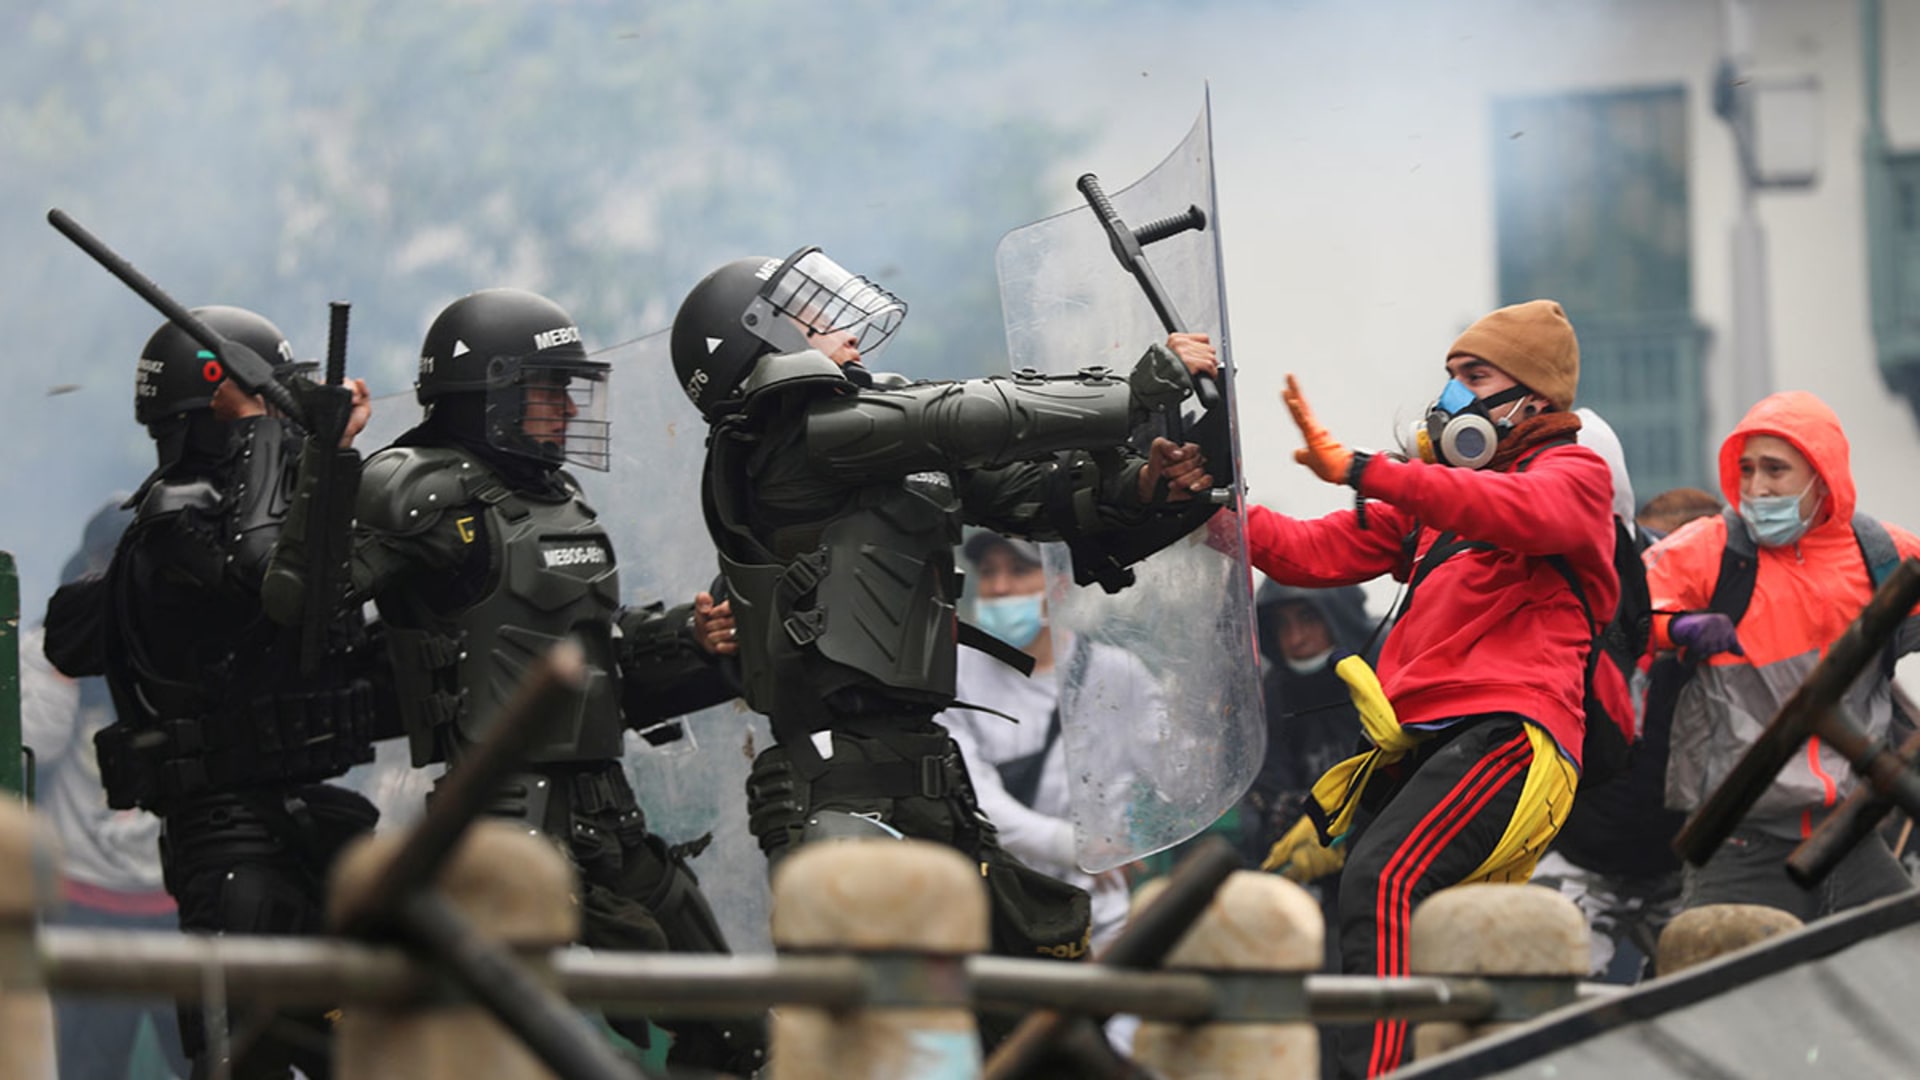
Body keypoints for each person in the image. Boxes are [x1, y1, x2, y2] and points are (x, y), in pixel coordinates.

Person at [668, 246, 1219, 973]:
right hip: (843, 785)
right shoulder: (796, 441)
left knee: (1027, 999)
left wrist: (1141, 486)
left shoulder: (868, 442)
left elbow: (1028, 494)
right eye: (809, 320)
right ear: (761, 344)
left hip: (922, 773)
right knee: (878, 1015)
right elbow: (965, 417)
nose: (846, 330)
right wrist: (1136, 390)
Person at [262, 287, 764, 1074]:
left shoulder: (555, 495)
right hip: (500, 832)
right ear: (487, 395)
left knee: (736, 1033)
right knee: (488, 1056)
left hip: (609, 821)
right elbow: (301, 605)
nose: (566, 409)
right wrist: (328, 459)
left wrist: (687, 636)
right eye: (546, 389)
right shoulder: (415, 487)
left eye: (569, 389)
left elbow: (588, 646)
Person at [1250, 299, 1615, 1078]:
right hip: (1430, 746)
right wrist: (1210, 507)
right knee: (1373, 895)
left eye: (1473, 376)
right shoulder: (1437, 504)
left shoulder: (1573, 474)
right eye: (1450, 375)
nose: (1451, 395)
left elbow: (1518, 508)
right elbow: (1305, 551)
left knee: (1385, 878)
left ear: (1532, 399)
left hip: (1512, 737)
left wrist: (1367, 470)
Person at [44, 306, 384, 1080]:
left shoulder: (264, 521)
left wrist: (329, 456)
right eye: (272, 401)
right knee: (243, 1064)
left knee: (360, 1054)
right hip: (230, 849)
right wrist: (271, 433)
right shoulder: (174, 523)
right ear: (217, 411)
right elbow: (260, 576)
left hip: (307, 829)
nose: (287, 420)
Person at [1646, 390, 1920, 921]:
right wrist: (1674, 627)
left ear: (1822, 474)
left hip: (1851, 836)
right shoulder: (1708, 549)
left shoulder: (1884, 554)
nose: (1756, 488)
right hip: (1738, 841)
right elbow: (1616, 610)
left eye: (1775, 469)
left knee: (1902, 963)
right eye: (1746, 469)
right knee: (1717, 969)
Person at [1528, 417, 1711, 984]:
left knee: (1722, 996)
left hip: (1688, 862)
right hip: (1581, 855)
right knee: (1535, 987)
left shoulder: (1720, 615)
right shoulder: (1550, 587)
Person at [26, 498, 192, 1080]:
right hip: (82, 904)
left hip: (176, 902)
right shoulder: (45, 646)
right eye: (106, 564)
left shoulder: (185, 644)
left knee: (212, 1059)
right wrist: (66, 657)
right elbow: (34, 744)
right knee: (86, 1069)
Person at [936, 532, 1160, 957]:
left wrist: (1137, 842)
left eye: (1019, 570)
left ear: (1058, 584)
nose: (1000, 586)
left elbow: (1169, 774)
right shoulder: (954, 674)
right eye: (989, 572)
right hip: (995, 908)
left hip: (1099, 915)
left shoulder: (1119, 674)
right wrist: (1075, 845)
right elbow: (973, 797)